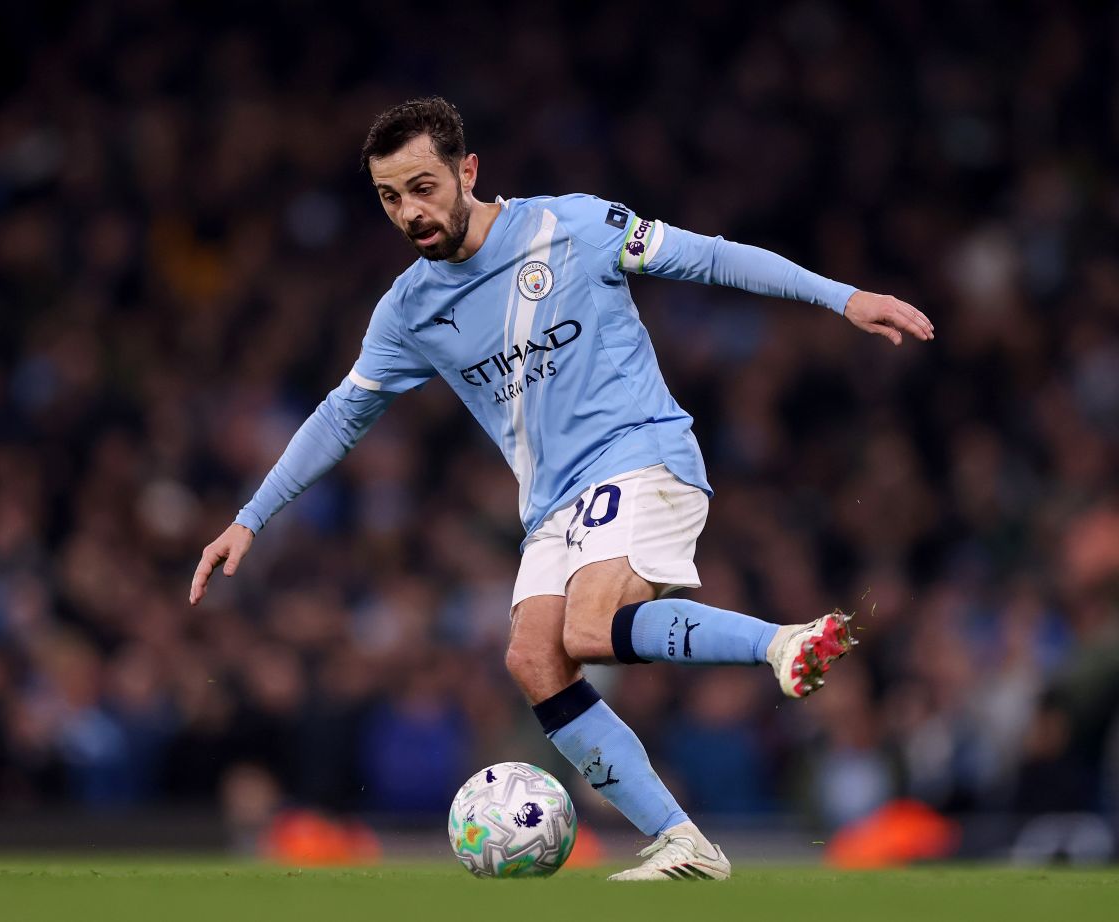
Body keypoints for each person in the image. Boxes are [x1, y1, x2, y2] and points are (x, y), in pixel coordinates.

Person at [189, 97, 934, 881]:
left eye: (423, 187)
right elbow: (342, 416)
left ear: (467, 172)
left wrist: (843, 297)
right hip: (552, 504)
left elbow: (709, 258)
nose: (409, 212)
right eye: (389, 197)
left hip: (641, 455)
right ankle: (683, 841)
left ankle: (780, 644)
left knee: (588, 628)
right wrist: (250, 518)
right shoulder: (409, 310)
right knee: (533, 660)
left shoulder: (571, 226)